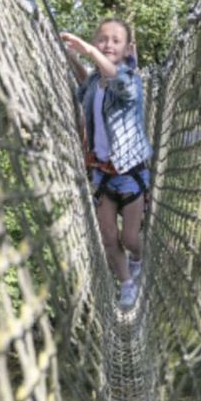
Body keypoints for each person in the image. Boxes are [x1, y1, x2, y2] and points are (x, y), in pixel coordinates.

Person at [60, 18, 152, 308]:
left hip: (129, 172)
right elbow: (84, 83)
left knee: (129, 238)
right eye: (102, 39)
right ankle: (126, 283)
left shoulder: (129, 80)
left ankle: (137, 258)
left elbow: (116, 81)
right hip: (102, 172)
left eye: (115, 41)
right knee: (109, 238)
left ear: (127, 50)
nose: (108, 44)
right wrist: (72, 56)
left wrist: (88, 50)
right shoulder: (93, 82)